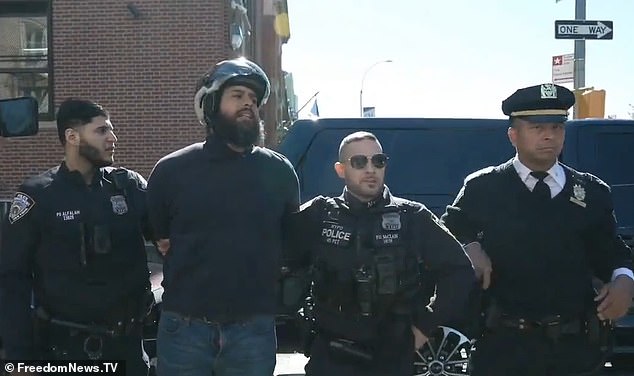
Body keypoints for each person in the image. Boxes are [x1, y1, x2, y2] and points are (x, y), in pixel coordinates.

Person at [441, 83, 634, 376]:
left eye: (557, 127)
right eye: (537, 127)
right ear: (513, 135)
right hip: (504, 348)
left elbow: (612, 252)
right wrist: (469, 246)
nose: (549, 135)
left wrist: (624, 280)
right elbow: (447, 229)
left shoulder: (591, 192)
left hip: (576, 350)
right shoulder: (484, 187)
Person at [146, 57, 300, 376]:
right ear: (211, 104)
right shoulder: (171, 170)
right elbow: (158, 234)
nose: (248, 104)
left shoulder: (279, 171)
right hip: (184, 331)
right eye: (238, 95)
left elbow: (291, 241)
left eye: (254, 100)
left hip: (253, 332)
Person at [283, 131, 476, 376]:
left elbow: (458, 269)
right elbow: (276, 257)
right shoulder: (320, 214)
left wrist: (426, 325)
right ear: (341, 170)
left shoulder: (411, 216)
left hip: (393, 354)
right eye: (359, 162)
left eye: (378, 161)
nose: (371, 169)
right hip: (331, 353)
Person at [0, 98, 152, 374]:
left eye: (111, 130)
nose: (112, 138)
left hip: (127, 348)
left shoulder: (128, 187)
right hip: (64, 350)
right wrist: (19, 356)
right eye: (101, 131)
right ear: (72, 136)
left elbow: (172, 235)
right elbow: (12, 280)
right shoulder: (38, 196)